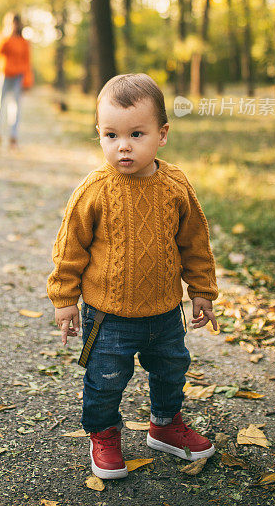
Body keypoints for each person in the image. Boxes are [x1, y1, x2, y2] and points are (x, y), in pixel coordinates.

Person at [47, 73, 218, 480]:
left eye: (136, 133)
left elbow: (194, 242)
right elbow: (70, 248)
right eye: (110, 135)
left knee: (171, 370)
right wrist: (65, 299)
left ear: (162, 134)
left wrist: (202, 291)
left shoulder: (175, 184)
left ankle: (165, 425)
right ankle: (103, 434)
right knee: (105, 381)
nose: (123, 145)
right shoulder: (95, 189)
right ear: (99, 134)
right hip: (109, 319)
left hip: (164, 313)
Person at [0, 13, 33, 150]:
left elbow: (27, 61)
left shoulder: (23, 41)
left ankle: (13, 138)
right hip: (3, 75)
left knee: (15, 108)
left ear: (19, 24)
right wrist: (6, 36)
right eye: (11, 22)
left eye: (16, 22)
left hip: (18, 77)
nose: (14, 25)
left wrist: (27, 80)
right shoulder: (2, 37)